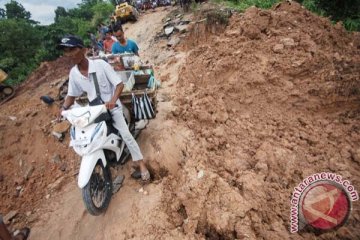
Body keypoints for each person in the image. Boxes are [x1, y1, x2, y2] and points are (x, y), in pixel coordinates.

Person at [56, 35, 150, 181]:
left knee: (125, 134)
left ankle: (141, 163)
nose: (69, 54)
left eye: (72, 49)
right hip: (94, 111)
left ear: (84, 50)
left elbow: (119, 84)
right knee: (87, 137)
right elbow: (71, 95)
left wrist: (112, 101)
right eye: (65, 51)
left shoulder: (100, 65)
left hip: (112, 107)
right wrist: (62, 109)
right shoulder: (74, 73)